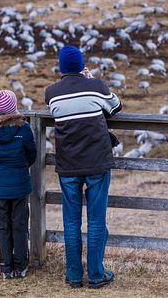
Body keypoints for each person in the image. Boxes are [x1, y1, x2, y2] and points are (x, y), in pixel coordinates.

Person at [45, 46, 122, 289]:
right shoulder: (96, 86)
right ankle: (97, 275)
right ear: (81, 65)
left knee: (71, 221)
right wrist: (89, 80)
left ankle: (74, 275)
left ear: (60, 67)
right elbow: (115, 106)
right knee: (96, 220)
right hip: (97, 161)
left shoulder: (52, 93)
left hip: (68, 163)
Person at [0, 90, 36, 280]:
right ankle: (21, 266)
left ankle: (6, 267)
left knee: (2, 224)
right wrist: (21, 165)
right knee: (19, 224)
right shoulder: (23, 129)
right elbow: (31, 154)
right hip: (19, 183)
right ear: (14, 106)